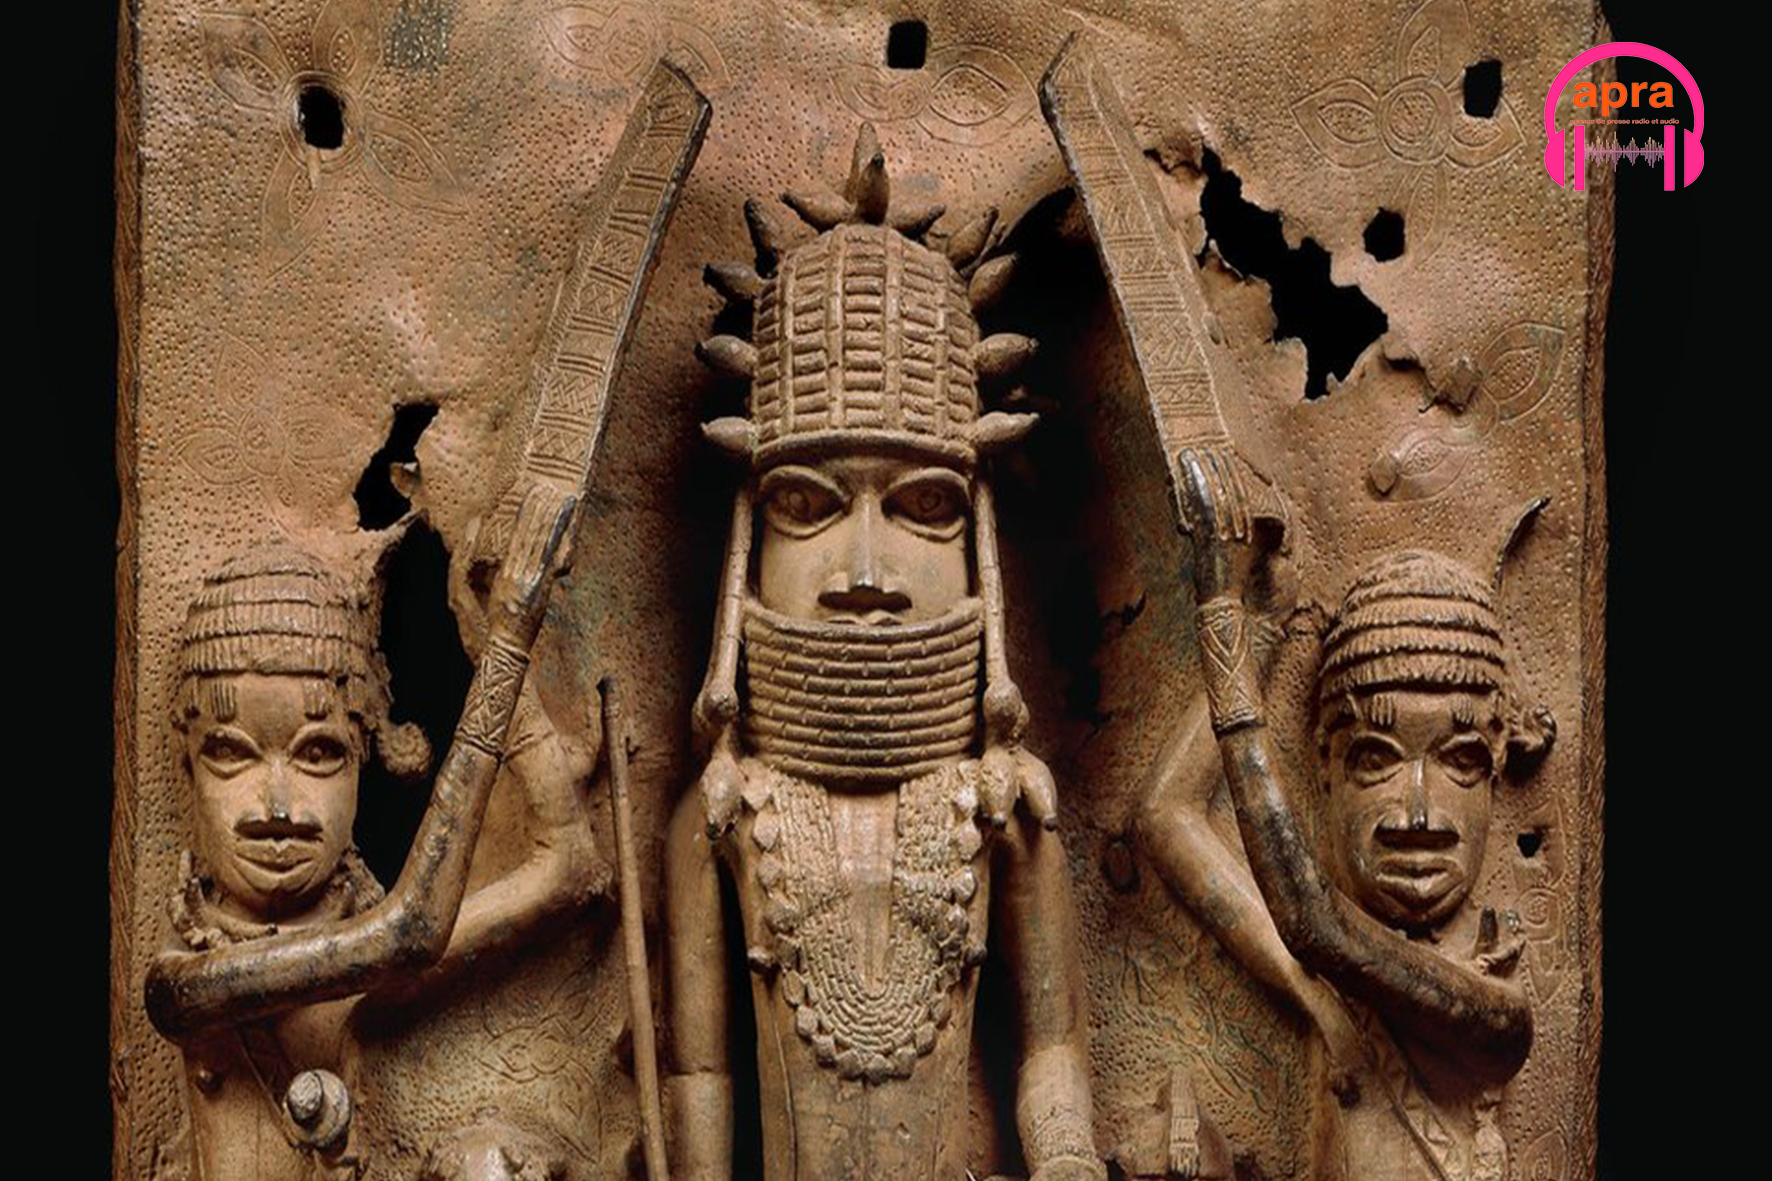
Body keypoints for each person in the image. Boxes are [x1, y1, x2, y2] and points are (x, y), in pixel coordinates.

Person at [661, 125, 1104, 1181]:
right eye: (807, 506)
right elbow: (698, 1073)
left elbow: (1051, 1051)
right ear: (747, 542)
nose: (866, 571)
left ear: (980, 539)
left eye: (923, 508)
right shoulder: (722, 814)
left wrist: (1068, 1159)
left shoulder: (1003, 809)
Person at [144, 488, 606, 1181]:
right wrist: (508, 643)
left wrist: (483, 622)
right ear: (188, 767)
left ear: (367, 757)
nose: (278, 804)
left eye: (319, 753)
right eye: (232, 754)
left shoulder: (363, 954)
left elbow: (568, 865)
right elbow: (411, 931)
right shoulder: (186, 982)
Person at [1171, 447, 1553, 1181]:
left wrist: (1221, 605)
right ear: (1324, 768)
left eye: (1460, 761)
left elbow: (1310, 919)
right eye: (1377, 759)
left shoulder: (1494, 1016)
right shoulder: (1332, 988)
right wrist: (1268, 627)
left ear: (1498, 773)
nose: (1419, 813)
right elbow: (1169, 816)